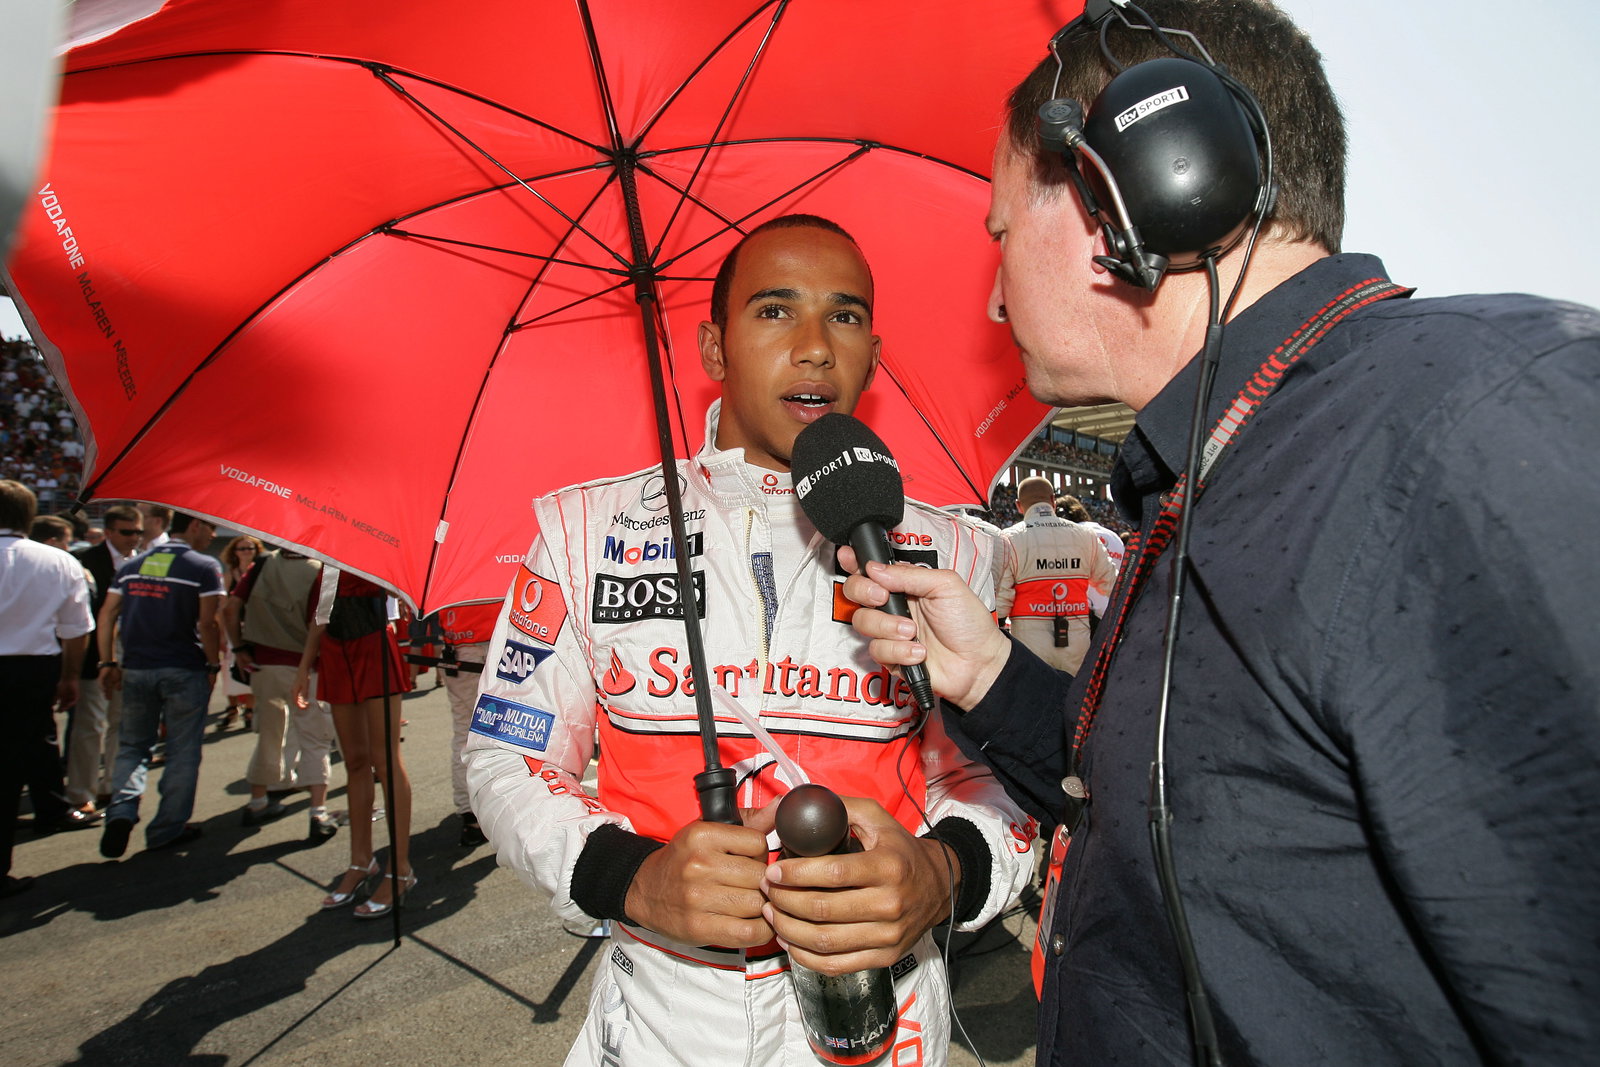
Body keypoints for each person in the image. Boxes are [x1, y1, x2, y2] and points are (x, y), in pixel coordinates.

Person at [838, 2, 1600, 1063]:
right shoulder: (1212, 469)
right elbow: (1172, 799)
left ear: (1129, 189)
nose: (997, 297)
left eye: (1001, 233)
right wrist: (984, 678)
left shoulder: (1478, 425)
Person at [463, 215, 1033, 1066]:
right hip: (661, 1015)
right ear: (714, 349)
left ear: (873, 355)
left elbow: (1005, 780)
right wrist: (630, 877)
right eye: (774, 311)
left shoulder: (955, 552)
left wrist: (944, 871)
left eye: (843, 316)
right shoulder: (584, 531)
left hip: (887, 1010)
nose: (813, 348)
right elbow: (507, 760)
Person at [96, 512, 224, 857]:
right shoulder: (204, 566)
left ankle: (121, 811)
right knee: (183, 750)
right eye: (210, 528)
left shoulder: (133, 564)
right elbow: (209, 623)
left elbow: (107, 614)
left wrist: (108, 661)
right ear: (195, 526)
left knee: (132, 746)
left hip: (136, 667)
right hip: (184, 668)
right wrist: (213, 664)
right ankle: (167, 829)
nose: (212, 536)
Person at [292, 566, 414, 918]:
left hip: (375, 646)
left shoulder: (378, 548)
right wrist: (304, 667)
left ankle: (401, 868)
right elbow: (320, 614)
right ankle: (361, 862)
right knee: (356, 762)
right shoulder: (327, 559)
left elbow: (405, 592)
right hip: (334, 653)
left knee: (385, 761)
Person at [0, 480, 95, 895]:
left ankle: (50, 807)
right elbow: (76, 630)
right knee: (29, 748)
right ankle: (49, 810)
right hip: (32, 669)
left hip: (30, 664)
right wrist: (70, 676)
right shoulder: (58, 561)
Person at [225, 544, 337, 840]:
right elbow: (319, 623)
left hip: (263, 663)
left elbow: (231, 607)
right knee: (315, 737)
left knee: (269, 733)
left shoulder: (262, 563)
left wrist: (238, 648)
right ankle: (317, 812)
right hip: (304, 664)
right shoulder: (319, 570)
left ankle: (258, 800)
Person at [65, 504, 143, 819]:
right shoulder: (82, 561)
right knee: (89, 725)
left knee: (122, 724)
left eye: (138, 532)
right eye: (127, 532)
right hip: (95, 654)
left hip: (133, 653)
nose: (133, 538)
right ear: (108, 531)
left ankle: (112, 786)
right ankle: (81, 794)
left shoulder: (146, 561)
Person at [994, 476, 1116, 675]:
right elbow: (1111, 583)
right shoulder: (1086, 536)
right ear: (1053, 500)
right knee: (1074, 700)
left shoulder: (1009, 538)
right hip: (1077, 641)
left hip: (1030, 643)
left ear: (1018, 506)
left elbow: (1001, 601)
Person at [427, 602, 499, 848]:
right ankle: (497, 807)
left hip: (459, 644)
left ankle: (469, 813)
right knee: (504, 733)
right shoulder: (497, 562)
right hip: (496, 642)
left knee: (465, 733)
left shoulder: (444, 564)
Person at [216, 535, 264, 731]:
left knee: (251, 666)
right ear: (234, 553)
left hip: (254, 627)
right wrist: (221, 632)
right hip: (232, 627)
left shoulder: (260, 572)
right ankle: (233, 706)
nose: (246, 552)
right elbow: (222, 607)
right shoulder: (229, 575)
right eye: (242, 549)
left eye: (250, 548)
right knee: (229, 667)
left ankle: (250, 709)